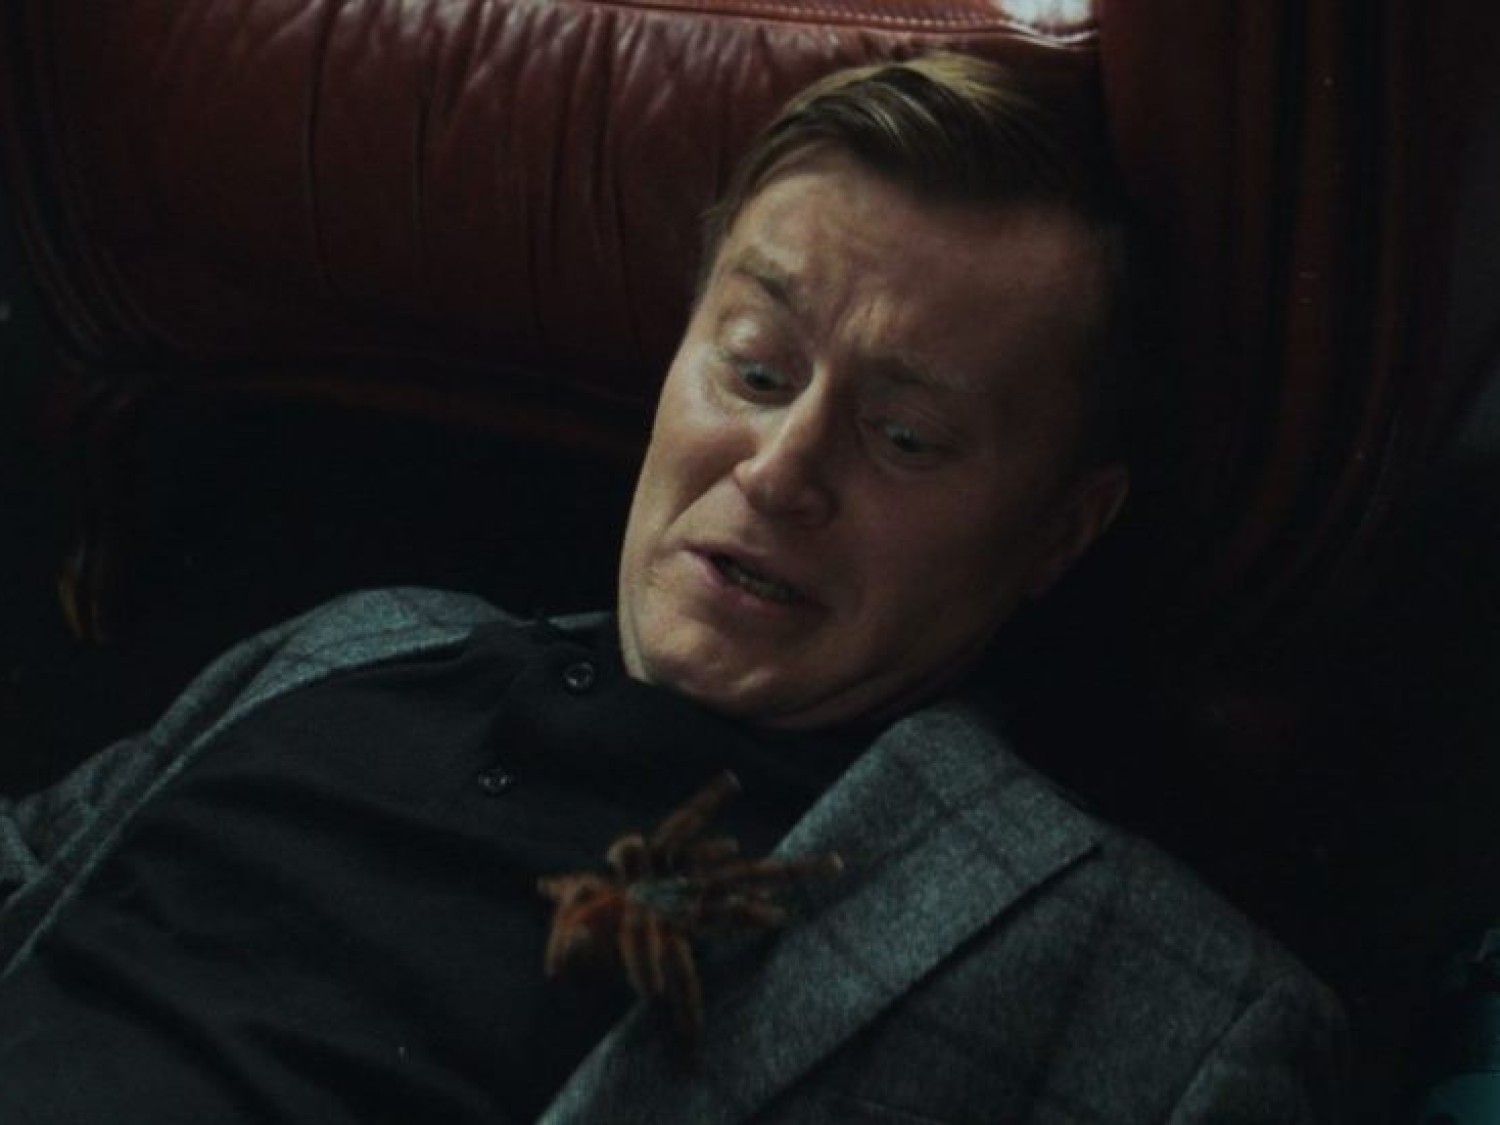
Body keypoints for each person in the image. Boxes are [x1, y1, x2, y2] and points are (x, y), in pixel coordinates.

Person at [0, 53, 1344, 1123]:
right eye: (754, 368)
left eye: (906, 435)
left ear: (1062, 528)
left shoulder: (1173, 1011)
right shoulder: (353, 644)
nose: (779, 467)